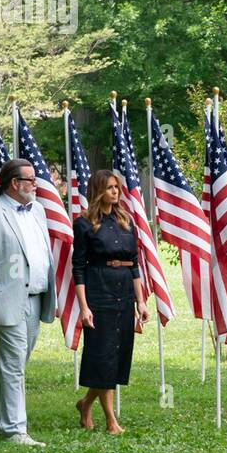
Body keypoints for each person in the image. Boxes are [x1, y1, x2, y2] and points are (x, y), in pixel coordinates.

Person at [0, 158, 57, 447]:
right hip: (5, 300)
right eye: (31, 180)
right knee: (14, 364)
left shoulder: (38, 211)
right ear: (14, 183)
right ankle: (16, 430)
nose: (36, 185)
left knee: (15, 363)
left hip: (35, 298)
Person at [72, 169, 147, 434]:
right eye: (109, 188)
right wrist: (84, 306)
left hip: (124, 291)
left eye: (116, 187)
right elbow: (78, 267)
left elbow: (135, 264)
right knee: (103, 354)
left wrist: (141, 302)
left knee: (115, 355)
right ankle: (111, 421)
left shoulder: (127, 222)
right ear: (98, 191)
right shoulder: (84, 223)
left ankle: (85, 404)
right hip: (99, 291)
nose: (115, 191)